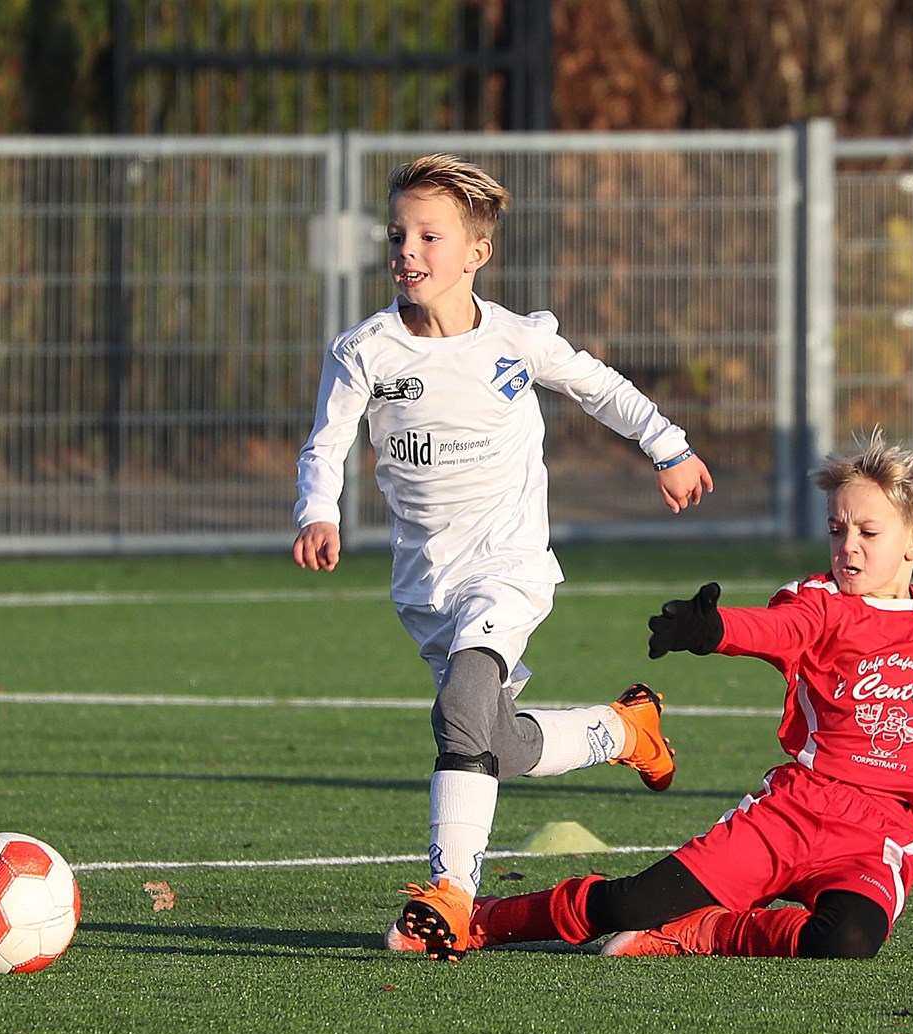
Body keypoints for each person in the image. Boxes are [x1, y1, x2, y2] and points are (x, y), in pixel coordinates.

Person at [447, 422, 913, 960]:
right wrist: (712, 629)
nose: (848, 545)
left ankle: (705, 933)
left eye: (868, 531)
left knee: (847, 939)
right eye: (837, 529)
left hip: (878, 834)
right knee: (632, 902)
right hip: (794, 811)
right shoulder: (821, 605)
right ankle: (476, 921)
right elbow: (775, 629)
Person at [291, 153, 714, 961]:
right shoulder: (364, 351)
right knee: (494, 740)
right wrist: (318, 511)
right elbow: (326, 444)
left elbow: (600, 387)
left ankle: (451, 896)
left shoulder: (516, 340)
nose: (407, 251)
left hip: (508, 564)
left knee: (460, 708)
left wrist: (668, 447)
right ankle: (624, 730)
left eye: (429, 236)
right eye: (398, 234)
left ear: (476, 253)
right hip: (426, 582)